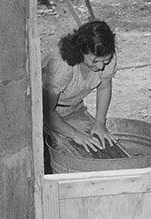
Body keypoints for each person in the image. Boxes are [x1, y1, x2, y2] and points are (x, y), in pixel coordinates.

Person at [42, 19, 118, 154]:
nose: (101, 66)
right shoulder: (61, 66)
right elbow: (47, 112)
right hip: (43, 112)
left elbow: (104, 87)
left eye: (105, 60)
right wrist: (75, 134)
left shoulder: (107, 58)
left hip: (75, 108)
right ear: (81, 51)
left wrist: (99, 123)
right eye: (94, 60)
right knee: (63, 149)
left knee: (98, 144)